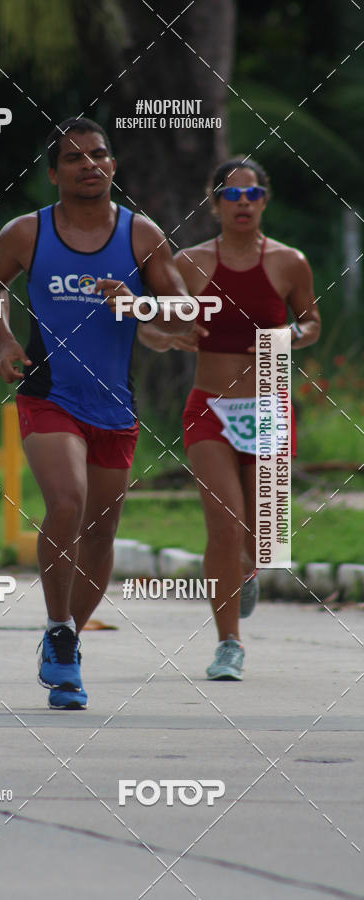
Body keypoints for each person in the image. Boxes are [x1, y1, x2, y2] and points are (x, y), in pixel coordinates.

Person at [0, 117, 199, 709]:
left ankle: (68, 646)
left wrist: (138, 303)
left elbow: (183, 314)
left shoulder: (142, 235)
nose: (88, 165)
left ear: (113, 165)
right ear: (54, 173)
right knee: (68, 502)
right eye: (73, 158)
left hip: (114, 405)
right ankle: (56, 628)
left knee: (102, 530)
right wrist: (3, 342)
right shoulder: (27, 233)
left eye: (98, 154)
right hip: (49, 394)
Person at [140, 158, 321, 680]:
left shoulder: (291, 263)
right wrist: (173, 337)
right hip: (210, 408)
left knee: (264, 537)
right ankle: (228, 645)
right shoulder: (190, 264)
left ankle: (247, 571)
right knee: (224, 527)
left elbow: (310, 320)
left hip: (268, 405)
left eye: (252, 194)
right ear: (214, 202)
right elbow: (150, 325)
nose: (242, 203)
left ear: (265, 200)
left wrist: (291, 336)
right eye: (231, 194)